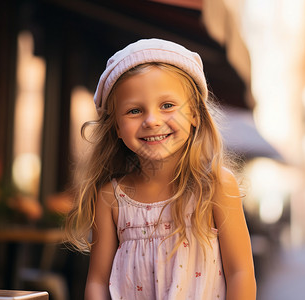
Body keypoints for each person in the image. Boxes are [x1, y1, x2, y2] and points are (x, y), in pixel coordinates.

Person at [65, 38, 256, 300]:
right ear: (117, 128)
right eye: (134, 110)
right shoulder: (111, 198)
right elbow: (98, 282)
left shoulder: (215, 185)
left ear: (194, 115)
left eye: (167, 106)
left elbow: (240, 273)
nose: (152, 121)